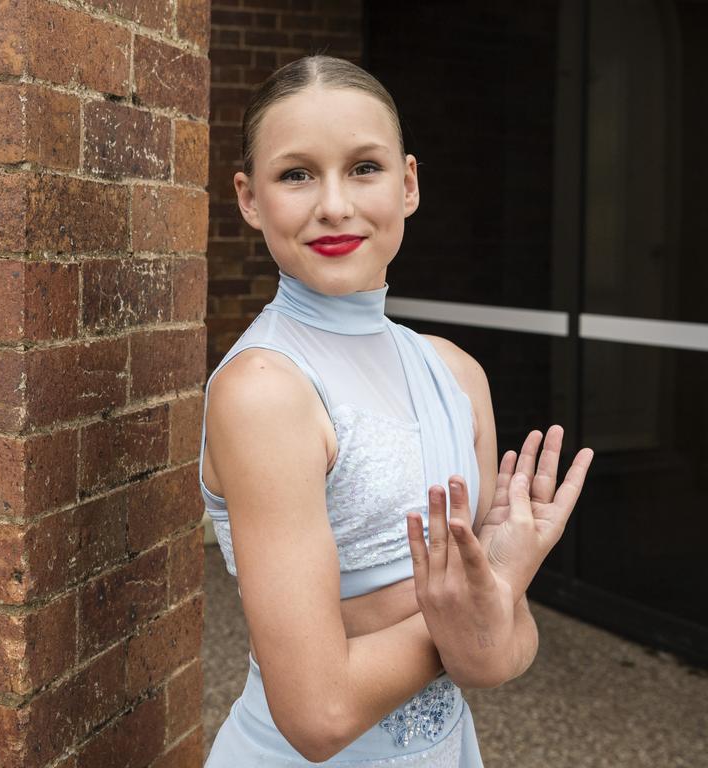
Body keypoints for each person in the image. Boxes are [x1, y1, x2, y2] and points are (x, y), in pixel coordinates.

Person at [199, 55, 595, 767]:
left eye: (363, 168)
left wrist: (492, 604)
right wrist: (479, 610)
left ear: (407, 182)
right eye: (296, 174)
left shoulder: (456, 374)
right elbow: (318, 715)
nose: (334, 205)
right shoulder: (265, 389)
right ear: (249, 198)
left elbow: (504, 655)